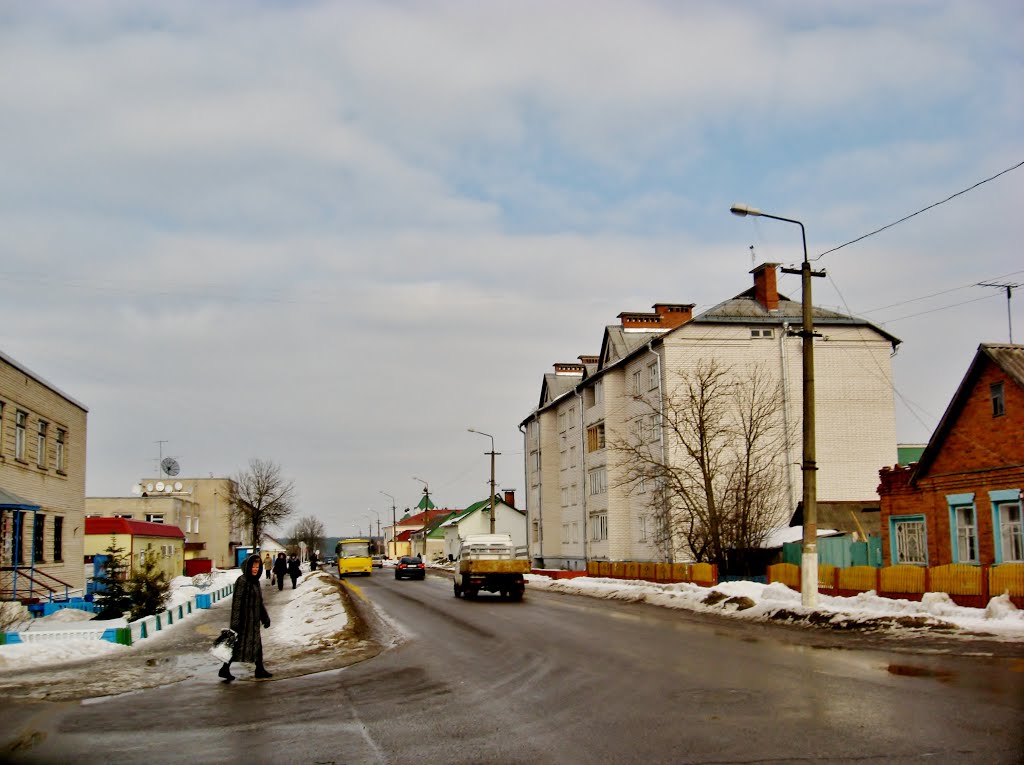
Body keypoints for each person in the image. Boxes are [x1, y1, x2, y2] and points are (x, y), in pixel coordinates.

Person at [219, 553, 272, 681]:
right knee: (236, 646)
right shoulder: (242, 581)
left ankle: (259, 668)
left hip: (253, 622)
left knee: (257, 645)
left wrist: (265, 618)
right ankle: (225, 668)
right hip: (243, 622)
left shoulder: (256, 582)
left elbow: (259, 602)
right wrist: (235, 623)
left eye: (257, 567)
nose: (255, 569)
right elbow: (236, 603)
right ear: (248, 567)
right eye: (253, 566)